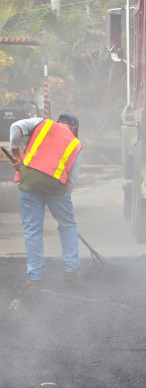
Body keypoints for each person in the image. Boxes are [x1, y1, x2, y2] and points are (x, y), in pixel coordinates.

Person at [9, 113, 82, 285]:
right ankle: (71, 270)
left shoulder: (41, 123)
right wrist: (64, 198)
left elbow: (15, 128)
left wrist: (16, 155)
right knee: (68, 225)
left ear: (59, 122)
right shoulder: (75, 143)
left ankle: (35, 276)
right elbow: (72, 178)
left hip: (30, 182)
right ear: (74, 128)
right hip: (57, 187)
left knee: (32, 229)